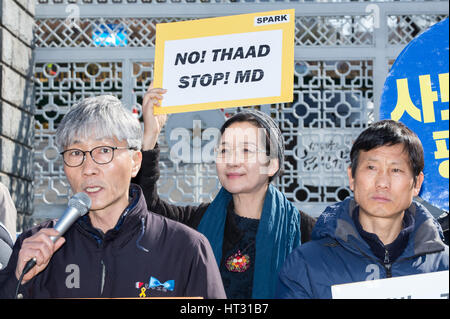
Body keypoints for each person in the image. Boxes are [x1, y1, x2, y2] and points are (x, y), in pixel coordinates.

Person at [0, 95, 226, 299]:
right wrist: (19, 278)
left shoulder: (186, 248)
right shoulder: (35, 245)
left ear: (135, 162)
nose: (88, 168)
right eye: (76, 153)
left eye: (104, 151)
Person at [132, 85, 316, 298]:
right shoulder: (198, 224)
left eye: (246, 150)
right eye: (224, 150)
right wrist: (150, 135)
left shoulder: (304, 231)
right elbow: (146, 213)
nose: (232, 160)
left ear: (272, 164)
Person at [276, 120, 449, 299]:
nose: (382, 183)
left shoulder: (444, 266)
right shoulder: (307, 264)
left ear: (417, 183)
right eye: (371, 168)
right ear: (352, 177)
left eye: (396, 170)